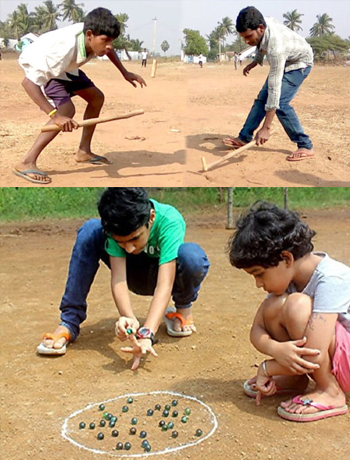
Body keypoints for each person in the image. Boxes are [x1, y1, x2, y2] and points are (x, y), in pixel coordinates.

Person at [37, 188, 210, 371]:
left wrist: (147, 333)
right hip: (130, 274)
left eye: (134, 239)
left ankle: (181, 311)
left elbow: (164, 284)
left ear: (151, 218)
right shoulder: (115, 225)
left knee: (192, 257)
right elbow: (118, 278)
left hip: (161, 275)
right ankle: (69, 323)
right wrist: (128, 318)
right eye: (121, 242)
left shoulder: (170, 220)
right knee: (90, 230)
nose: (128, 248)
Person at [228, 201, 350, 422]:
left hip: (344, 359)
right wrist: (276, 349)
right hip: (330, 355)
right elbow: (258, 328)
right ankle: (295, 380)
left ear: (286, 258)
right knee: (275, 305)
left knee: (296, 306)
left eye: (259, 274)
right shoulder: (288, 279)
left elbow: (313, 351)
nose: (258, 284)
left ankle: (330, 391)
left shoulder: (332, 278)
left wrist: (270, 367)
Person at [14, 8, 146, 185]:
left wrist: (124, 72)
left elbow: (108, 48)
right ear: (90, 35)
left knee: (96, 98)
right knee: (67, 110)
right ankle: (26, 161)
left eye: (112, 41)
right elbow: (28, 83)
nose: (109, 45)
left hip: (67, 68)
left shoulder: (94, 38)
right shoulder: (60, 51)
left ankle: (84, 151)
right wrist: (55, 116)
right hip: (45, 66)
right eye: (105, 40)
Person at [223, 7, 314, 161]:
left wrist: (266, 128)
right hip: (286, 58)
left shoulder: (276, 48)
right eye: (243, 38)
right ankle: (244, 137)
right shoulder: (263, 24)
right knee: (261, 100)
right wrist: (256, 61)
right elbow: (261, 43)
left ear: (260, 28)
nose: (247, 41)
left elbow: (274, 89)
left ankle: (305, 145)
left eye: (249, 36)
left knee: (281, 102)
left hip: (300, 63)